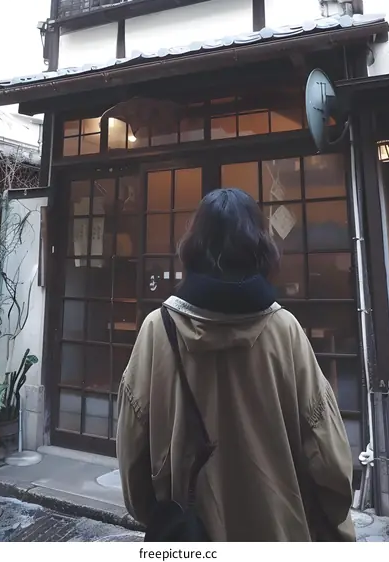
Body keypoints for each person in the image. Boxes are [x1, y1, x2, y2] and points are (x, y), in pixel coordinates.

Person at [116, 188, 355, 542]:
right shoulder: (285, 330)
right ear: (260, 248)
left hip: (191, 536)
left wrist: (159, 513)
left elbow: (133, 454)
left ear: (193, 246)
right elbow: (331, 465)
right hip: (278, 532)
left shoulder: (157, 329)